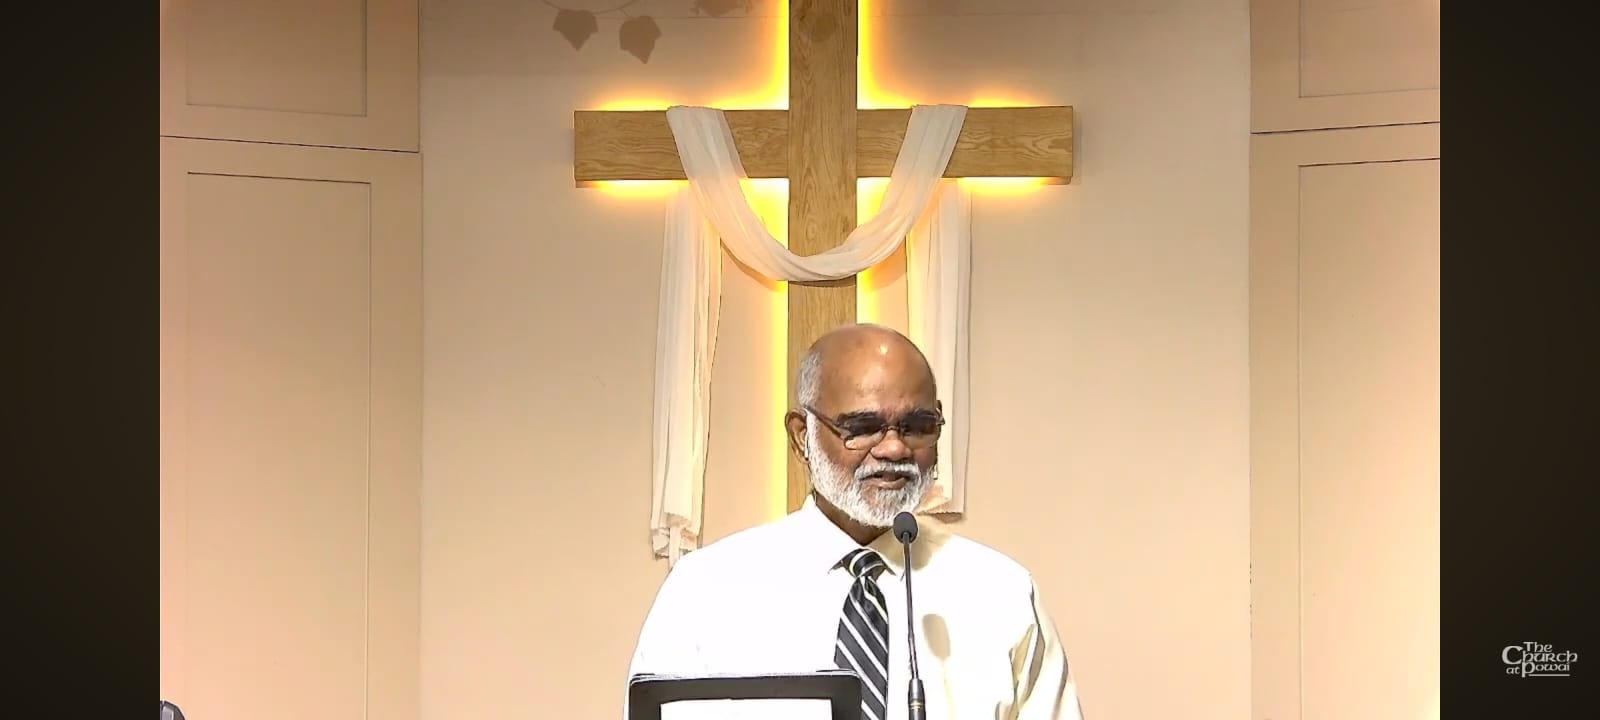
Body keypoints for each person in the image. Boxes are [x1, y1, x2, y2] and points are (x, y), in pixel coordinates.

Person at [625, 324, 1085, 720]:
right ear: (802, 437)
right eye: (862, 428)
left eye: (918, 426)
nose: (894, 449)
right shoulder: (706, 589)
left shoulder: (1001, 592)